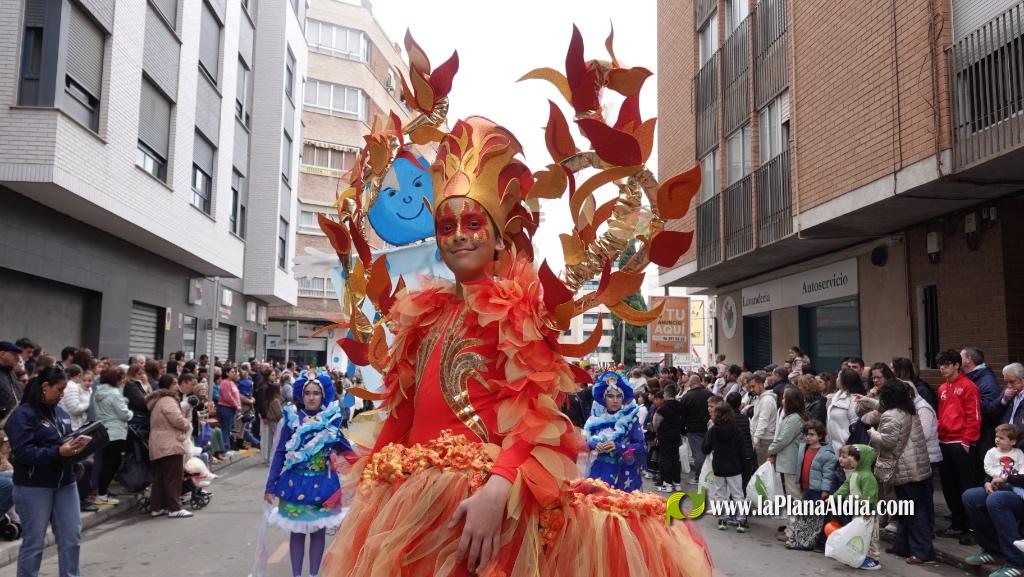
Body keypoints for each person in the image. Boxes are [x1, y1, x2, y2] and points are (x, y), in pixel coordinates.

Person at [319, 108, 711, 574]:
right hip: (406, 504)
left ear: (500, 239)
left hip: (484, 509)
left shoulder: (518, 308)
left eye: (472, 224)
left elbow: (535, 416)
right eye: (447, 227)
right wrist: (371, 481)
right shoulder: (423, 315)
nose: (459, 236)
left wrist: (499, 487)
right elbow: (403, 412)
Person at [264, 371, 354, 577]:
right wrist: (270, 486)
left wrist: (369, 467)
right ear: (301, 395)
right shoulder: (292, 420)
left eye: (316, 393)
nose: (311, 397)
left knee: (318, 532)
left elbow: (346, 450)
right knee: (296, 533)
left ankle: (313, 574)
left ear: (323, 396)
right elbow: (279, 454)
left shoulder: (330, 421)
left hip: (323, 486)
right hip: (294, 485)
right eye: (307, 393)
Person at [5, 366, 90, 577]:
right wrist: (58, 452)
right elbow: (23, 453)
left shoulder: (61, 413)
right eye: (59, 390)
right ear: (45, 386)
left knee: (71, 538)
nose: (62, 395)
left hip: (65, 482)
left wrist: (78, 449)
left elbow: (67, 441)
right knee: (34, 542)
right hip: (33, 486)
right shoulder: (22, 415)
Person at [861, 380, 934, 563]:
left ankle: (920, 552)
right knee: (910, 510)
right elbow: (887, 410)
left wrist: (873, 434)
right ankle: (904, 546)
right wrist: (869, 401)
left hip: (904, 469)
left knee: (912, 512)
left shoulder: (891, 415)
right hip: (918, 467)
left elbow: (888, 441)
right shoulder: (907, 409)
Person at [935, 348, 981, 542]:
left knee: (967, 486)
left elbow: (974, 415)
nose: (942, 369)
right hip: (944, 441)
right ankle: (957, 523)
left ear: (956, 365)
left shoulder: (969, 386)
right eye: (940, 365)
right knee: (949, 486)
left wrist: (968, 440)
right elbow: (941, 414)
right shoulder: (942, 388)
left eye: (946, 365)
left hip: (961, 442)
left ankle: (973, 529)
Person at [583, 372, 645, 491]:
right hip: (599, 472)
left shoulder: (630, 419)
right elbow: (584, 443)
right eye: (610, 396)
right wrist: (595, 445)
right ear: (604, 398)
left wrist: (619, 446)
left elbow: (641, 446)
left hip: (622, 474)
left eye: (619, 396)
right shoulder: (595, 420)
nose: (615, 400)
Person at [785, 419, 835, 550]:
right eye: (807, 434)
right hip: (806, 488)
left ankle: (818, 543)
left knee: (817, 518)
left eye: (812, 434)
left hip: (818, 491)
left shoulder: (827, 453)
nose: (808, 437)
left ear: (820, 436)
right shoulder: (804, 448)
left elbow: (828, 474)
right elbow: (801, 467)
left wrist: (825, 490)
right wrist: (800, 482)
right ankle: (803, 540)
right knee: (805, 516)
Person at [146, 374, 192, 518]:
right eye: (174, 384)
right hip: (169, 443)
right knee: (173, 477)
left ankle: (157, 507)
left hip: (159, 443)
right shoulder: (168, 400)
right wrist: (187, 424)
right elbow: (177, 420)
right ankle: (174, 508)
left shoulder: (158, 400)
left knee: (160, 477)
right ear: (169, 386)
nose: (177, 386)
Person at [831, 444, 881, 570]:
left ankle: (874, 560)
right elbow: (845, 487)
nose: (850, 461)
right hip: (857, 511)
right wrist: (835, 497)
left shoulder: (867, 477)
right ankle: (859, 556)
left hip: (868, 514)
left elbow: (869, 496)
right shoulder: (854, 474)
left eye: (854, 459)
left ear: (863, 460)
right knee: (859, 535)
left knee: (870, 537)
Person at [702, 402, 747, 532]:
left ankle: (722, 519)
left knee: (720, 493)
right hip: (734, 466)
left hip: (719, 466)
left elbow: (705, 448)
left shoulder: (713, 430)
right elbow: (741, 450)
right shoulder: (736, 429)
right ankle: (741, 521)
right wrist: (743, 465)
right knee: (738, 494)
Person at [92, 367, 132, 506]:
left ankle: (103, 492)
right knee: (111, 464)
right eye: (121, 378)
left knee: (106, 463)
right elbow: (124, 414)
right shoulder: (115, 393)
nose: (123, 381)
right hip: (116, 431)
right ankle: (102, 495)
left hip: (104, 430)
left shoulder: (98, 392)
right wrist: (130, 413)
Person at [680, 376, 714, 483]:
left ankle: (699, 476)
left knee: (698, 453)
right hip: (709, 427)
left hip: (693, 429)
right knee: (708, 453)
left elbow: (682, 415)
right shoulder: (709, 394)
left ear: (690, 383)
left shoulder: (686, 397)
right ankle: (708, 475)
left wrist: (682, 429)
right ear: (699, 382)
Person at [827, 368, 866, 452]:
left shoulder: (854, 399)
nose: (836, 379)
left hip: (847, 447)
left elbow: (855, 425)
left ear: (844, 382)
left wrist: (847, 443)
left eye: (838, 377)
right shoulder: (836, 396)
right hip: (832, 446)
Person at [655, 383, 685, 492]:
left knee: (666, 459)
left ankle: (667, 484)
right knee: (675, 458)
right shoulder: (680, 405)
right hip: (677, 435)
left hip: (665, 436)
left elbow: (656, 422)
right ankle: (677, 483)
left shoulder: (663, 408)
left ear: (665, 394)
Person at [984, 424, 1024, 498]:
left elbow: (1022, 468)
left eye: (1001, 438)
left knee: (1016, 489)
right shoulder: (991, 452)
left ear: (1012, 442)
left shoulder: (1018, 453)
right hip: (995, 480)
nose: (997, 439)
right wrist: (999, 476)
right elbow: (988, 468)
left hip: (1013, 482)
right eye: (996, 436)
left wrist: (1008, 478)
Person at [725, 392, 755, 489]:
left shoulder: (725, 420)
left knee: (733, 487)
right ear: (739, 404)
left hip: (733, 457)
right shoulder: (746, 418)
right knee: (744, 485)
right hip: (747, 456)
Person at [749, 374, 777, 466]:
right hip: (762, 439)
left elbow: (763, 421)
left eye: (753, 386)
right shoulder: (761, 398)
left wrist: (756, 439)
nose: (751, 389)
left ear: (760, 384)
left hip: (765, 440)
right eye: (750, 387)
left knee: (765, 471)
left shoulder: (767, 400)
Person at [59, 364, 92, 431]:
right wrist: (90, 403)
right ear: (79, 375)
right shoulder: (72, 386)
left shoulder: (70, 385)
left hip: (69, 422)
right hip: (72, 424)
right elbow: (75, 409)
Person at [217, 367, 241, 450]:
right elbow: (228, 397)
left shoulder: (232, 383)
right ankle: (224, 448)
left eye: (235, 371)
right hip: (225, 408)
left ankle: (226, 447)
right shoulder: (225, 382)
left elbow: (236, 396)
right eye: (232, 371)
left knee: (228, 429)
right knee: (225, 429)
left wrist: (238, 405)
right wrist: (236, 405)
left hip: (231, 409)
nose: (234, 373)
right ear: (226, 373)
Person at [0, 342, 24, 422]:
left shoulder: (11, 372)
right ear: (2, 354)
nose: (18, 358)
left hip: (15, 421)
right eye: (14, 355)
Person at [261, 383, 283, 465]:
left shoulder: (269, 399)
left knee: (270, 440)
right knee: (276, 440)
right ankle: (273, 459)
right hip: (275, 422)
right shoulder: (275, 401)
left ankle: (269, 458)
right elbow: (279, 414)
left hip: (271, 421)